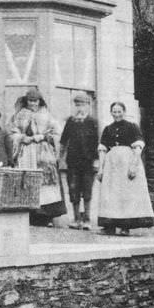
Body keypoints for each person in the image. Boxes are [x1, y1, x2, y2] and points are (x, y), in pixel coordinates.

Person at [9, 88, 66, 226]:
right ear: (26, 101)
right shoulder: (19, 115)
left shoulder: (47, 115)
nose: (33, 104)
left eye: (35, 101)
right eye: (30, 101)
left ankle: (47, 216)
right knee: (27, 180)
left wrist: (44, 136)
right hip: (26, 152)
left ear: (40, 101)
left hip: (43, 152)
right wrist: (22, 138)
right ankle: (30, 215)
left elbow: (58, 133)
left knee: (45, 181)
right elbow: (11, 132)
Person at [95, 101, 154, 236]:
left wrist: (133, 166)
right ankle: (109, 226)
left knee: (126, 195)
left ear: (124, 112)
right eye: (114, 112)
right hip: (112, 167)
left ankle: (125, 226)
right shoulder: (108, 129)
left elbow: (138, 147)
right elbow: (103, 150)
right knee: (110, 195)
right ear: (111, 113)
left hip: (127, 162)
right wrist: (101, 169)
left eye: (119, 111)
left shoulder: (132, 127)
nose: (116, 114)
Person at [59, 93, 99, 230]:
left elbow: (98, 144)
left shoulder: (93, 122)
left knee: (87, 191)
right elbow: (63, 142)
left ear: (88, 106)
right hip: (73, 162)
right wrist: (61, 159)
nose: (80, 108)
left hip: (88, 162)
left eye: (82, 104)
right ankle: (76, 219)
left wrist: (96, 161)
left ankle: (87, 219)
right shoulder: (70, 121)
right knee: (73, 190)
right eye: (77, 105)